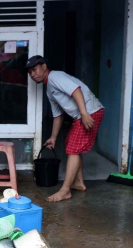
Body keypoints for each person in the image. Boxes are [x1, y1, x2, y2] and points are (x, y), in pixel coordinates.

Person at [26, 55, 104, 202]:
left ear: (44, 67)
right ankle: (78, 183)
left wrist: (83, 113)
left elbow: (76, 90)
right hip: (83, 114)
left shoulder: (55, 77)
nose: (33, 75)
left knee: (73, 149)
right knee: (72, 146)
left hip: (90, 112)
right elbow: (58, 115)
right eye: (30, 73)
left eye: (35, 70)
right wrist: (53, 137)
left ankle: (65, 191)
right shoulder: (49, 87)